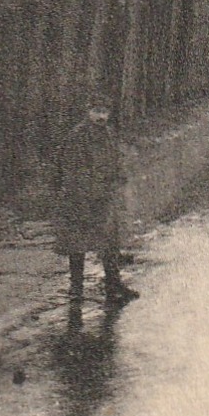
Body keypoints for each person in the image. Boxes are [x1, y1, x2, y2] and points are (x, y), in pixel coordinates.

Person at [54, 95, 138, 304]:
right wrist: (83, 199)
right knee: (77, 244)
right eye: (97, 111)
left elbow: (116, 159)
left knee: (110, 242)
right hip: (80, 197)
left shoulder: (108, 134)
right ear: (88, 111)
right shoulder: (77, 137)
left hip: (104, 197)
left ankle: (113, 283)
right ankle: (76, 288)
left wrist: (119, 175)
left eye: (105, 112)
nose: (101, 116)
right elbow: (73, 172)